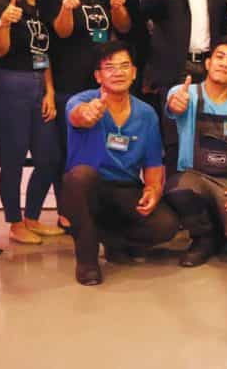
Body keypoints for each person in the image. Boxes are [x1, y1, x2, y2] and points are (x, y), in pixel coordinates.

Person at [62, 41, 179, 286]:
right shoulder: (81, 100)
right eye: (110, 67)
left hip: (125, 188)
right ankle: (87, 261)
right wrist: (88, 113)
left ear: (134, 72)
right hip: (89, 188)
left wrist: (153, 190)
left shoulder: (146, 113)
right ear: (98, 76)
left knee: (166, 224)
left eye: (124, 66)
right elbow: (78, 115)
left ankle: (113, 241)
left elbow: (153, 165)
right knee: (80, 177)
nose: (118, 72)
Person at [141, 0, 227, 170]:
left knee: (211, 137)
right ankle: (175, 192)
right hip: (175, 68)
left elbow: (222, 21)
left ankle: (206, 189)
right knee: (174, 140)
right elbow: (145, 8)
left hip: (210, 67)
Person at [163, 36, 227, 267]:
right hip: (195, 177)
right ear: (208, 63)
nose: (224, 64)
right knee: (178, 189)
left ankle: (221, 227)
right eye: (219, 57)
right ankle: (203, 238)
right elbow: (174, 106)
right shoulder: (185, 93)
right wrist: (175, 104)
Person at [0, 0, 60, 244]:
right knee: (14, 158)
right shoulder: (5, 1)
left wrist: (50, 91)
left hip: (39, 83)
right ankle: (15, 223)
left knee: (49, 157)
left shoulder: (44, 5)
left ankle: (32, 217)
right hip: (9, 84)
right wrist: (4, 23)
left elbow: (44, 53)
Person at [46, 0, 111, 231]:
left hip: (96, 84)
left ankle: (89, 209)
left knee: (92, 150)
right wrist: (66, 8)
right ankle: (67, 212)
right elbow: (60, 33)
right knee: (67, 150)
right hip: (67, 83)